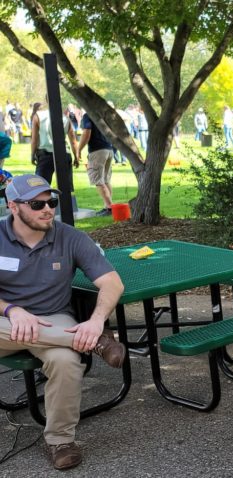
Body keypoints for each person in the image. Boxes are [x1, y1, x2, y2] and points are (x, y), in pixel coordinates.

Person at [0, 174, 126, 470]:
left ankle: (60, 441)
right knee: (69, 345)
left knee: (66, 361)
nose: (48, 209)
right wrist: (12, 310)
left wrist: (95, 321)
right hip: (5, 321)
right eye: (37, 204)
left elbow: (113, 284)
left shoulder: (69, 236)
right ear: (13, 206)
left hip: (53, 318)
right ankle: (94, 343)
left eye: (52, 202)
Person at [30, 98, 79, 185]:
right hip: (64, 154)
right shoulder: (66, 119)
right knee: (66, 188)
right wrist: (76, 156)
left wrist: (32, 154)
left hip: (45, 155)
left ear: (46, 100)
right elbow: (73, 141)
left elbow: (34, 139)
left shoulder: (38, 116)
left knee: (41, 188)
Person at [76, 111, 115, 217]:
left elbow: (87, 132)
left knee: (98, 181)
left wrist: (79, 149)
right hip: (109, 149)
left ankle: (109, 207)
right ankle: (108, 207)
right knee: (106, 180)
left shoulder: (88, 115)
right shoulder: (103, 114)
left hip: (97, 151)